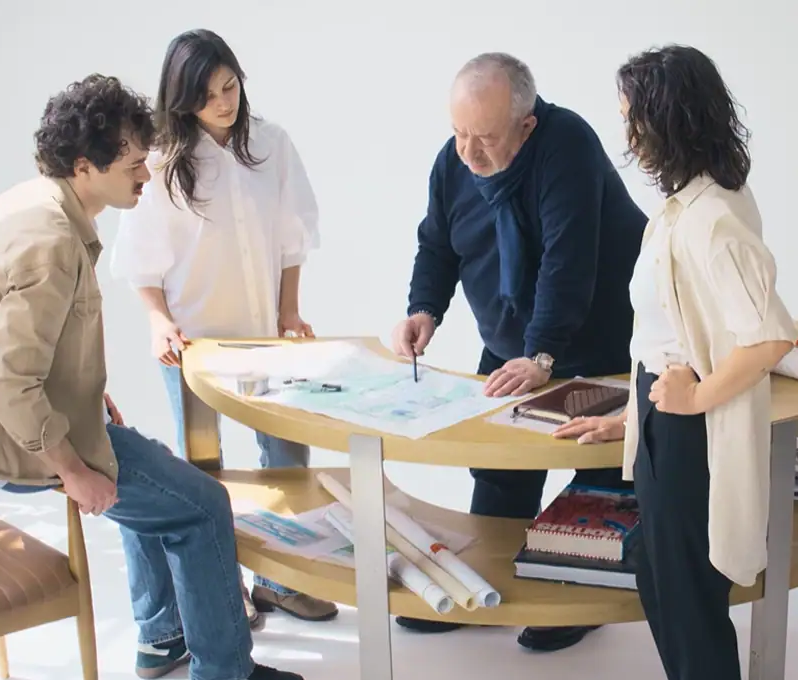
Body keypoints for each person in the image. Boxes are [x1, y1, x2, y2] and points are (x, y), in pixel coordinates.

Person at [0, 74, 302, 680]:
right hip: (14, 441)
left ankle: (161, 637)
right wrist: (75, 472)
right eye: (135, 163)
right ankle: (225, 672)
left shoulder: (29, 202)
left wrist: (83, 391)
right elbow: (11, 387)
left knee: (155, 469)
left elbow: (7, 341)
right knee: (203, 504)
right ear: (86, 165)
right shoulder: (51, 241)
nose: (146, 174)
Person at [390, 52, 648, 650]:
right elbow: (437, 241)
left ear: (526, 125)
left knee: (598, 471)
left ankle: (576, 599)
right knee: (500, 465)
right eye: (459, 134)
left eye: (485, 138)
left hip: (597, 336)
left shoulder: (568, 145)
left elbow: (568, 262)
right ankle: (478, 590)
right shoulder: (454, 160)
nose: (469, 153)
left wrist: (543, 357)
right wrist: (423, 308)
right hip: (513, 341)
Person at [554, 45, 797, 680]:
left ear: (668, 119)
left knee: (687, 598)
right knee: (661, 580)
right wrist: (630, 420)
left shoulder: (713, 217)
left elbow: (770, 338)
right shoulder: (682, 207)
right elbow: (656, 333)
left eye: (633, 115)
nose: (627, 131)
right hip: (663, 414)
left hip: (691, 426)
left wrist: (692, 400)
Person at [109, 29, 337, 627]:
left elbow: (292, 240)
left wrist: (290, 312)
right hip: (192, 345)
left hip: (265, 337)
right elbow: (141, 259)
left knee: (287, 458)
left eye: (230, 85)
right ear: (181, 98)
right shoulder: (158, 163)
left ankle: (279, 581)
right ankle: (222, 589)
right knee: (201, 473)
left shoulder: (272, 144)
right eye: (207, 93)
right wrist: (158, 322)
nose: (223, 101)